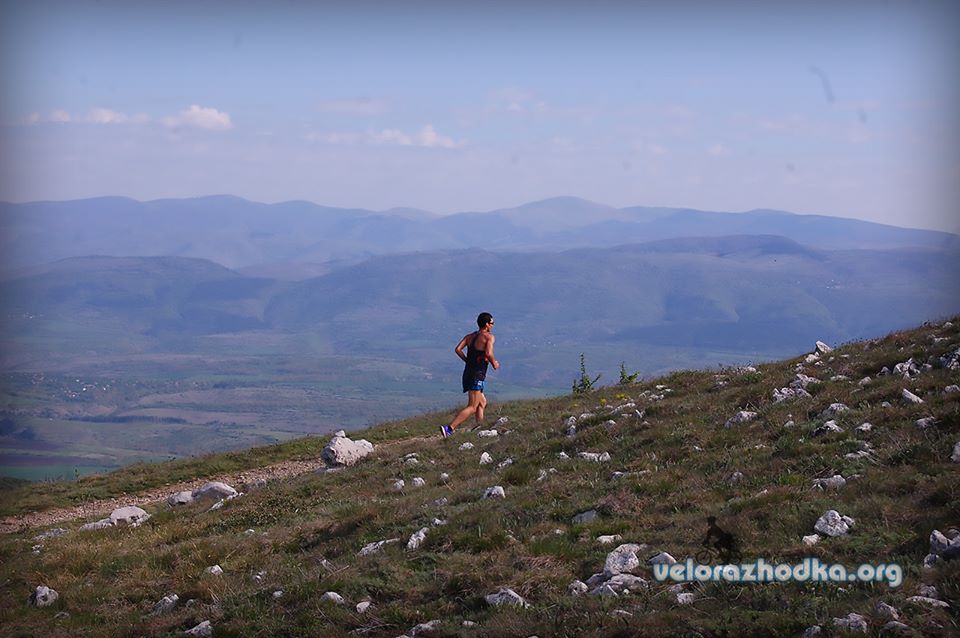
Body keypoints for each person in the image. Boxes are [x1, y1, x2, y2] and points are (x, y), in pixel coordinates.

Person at [441, 312, 499, 437]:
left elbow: (457, 349)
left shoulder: (469, 336)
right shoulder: (489, 337)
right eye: (492, 323)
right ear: (486, 324)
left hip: (468, 373)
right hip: (477, 374)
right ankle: (449, 428)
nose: (493, 326)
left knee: (482, 402)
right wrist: (494, 362)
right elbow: (488, 353)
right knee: (472, 406)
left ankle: (479, 427)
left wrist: (467, 360)